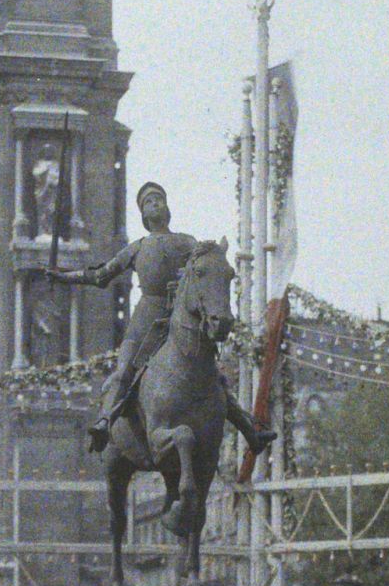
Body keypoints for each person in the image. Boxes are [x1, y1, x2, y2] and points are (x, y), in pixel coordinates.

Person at [48, 181, 279, 455]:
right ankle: (104, 422)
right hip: (145, 320)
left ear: (168, 208)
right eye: (149, 202)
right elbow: (100, 275)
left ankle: (250, 430)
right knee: (124, 370)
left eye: (159, 199)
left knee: (212, 377)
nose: (156, 204)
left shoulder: (187, 242)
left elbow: (203, 269)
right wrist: (64, 276)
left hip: (181, 319)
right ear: (144, 215)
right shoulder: (138, 247)